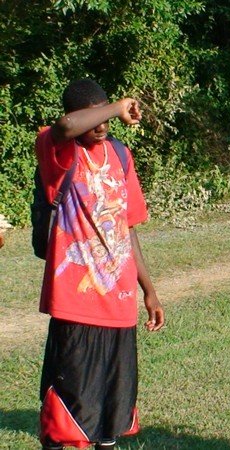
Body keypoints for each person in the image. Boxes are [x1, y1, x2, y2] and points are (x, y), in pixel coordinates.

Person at [34, 78, 165, 450]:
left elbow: (127, 228)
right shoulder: (58, 150)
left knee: (112, 410)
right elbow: (65, 127)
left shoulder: (120, 155)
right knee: (67, 408)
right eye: (94, 117)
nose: (102, 124)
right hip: (76, 302)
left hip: (119, 301)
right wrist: (117, 106)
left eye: (106, 116)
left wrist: (149, 290)